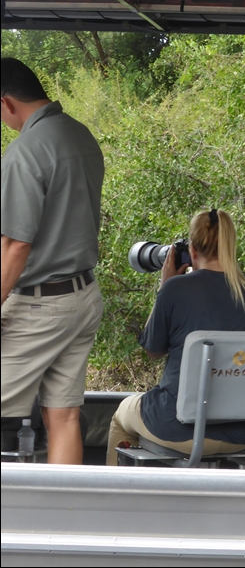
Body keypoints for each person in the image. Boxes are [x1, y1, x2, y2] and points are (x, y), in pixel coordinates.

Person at [105, 209, 245, 465]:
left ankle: (115, 489)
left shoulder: (176, 288)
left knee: (122, 414)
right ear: (231, 245)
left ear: (192, 250)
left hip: (178, 427)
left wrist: (164, 287)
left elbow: (152, 349)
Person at [1, 57, 105, 465]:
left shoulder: (25, 151)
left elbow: (15, 246)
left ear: (6, 102)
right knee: (63, 415)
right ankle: (66, 504)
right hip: (83, 296)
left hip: (41, 307)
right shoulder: (80, 135)